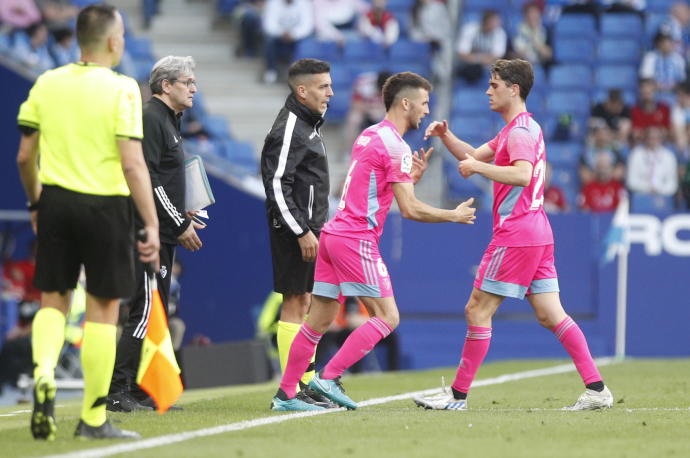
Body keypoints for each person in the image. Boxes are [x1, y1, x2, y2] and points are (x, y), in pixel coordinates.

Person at [413, 59, 613, 412]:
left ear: (514, 89)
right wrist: (447, 136)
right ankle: (597, 388)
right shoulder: (518, 128)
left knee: (477, 309)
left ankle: (457, 396)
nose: (488, 91)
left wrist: (477, 168)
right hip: (537, 230)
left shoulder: (519, 133)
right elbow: (474, 155)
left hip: (517, 232)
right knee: (552, 315)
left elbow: (521, 175)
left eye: (494, 85)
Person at [270, 71, 477, 412]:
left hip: (333, 235)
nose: (427, 110)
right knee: (388, 317)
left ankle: (286, 394)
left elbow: (373, 184)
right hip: (356, 238)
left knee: (317, 321)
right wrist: (452, 215)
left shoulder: (370, 135)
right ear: (406, 102)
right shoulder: (397, 146)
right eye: (424, 103)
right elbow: (409, 209)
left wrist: (408, 178)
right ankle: (330, 377)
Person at [15, 4, 160, 440]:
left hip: (56, 204)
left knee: (53, 300)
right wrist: (150, 222)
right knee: (103, 311)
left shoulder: (46, 82)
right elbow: (133, 163)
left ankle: (43, 373)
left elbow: (25, 156)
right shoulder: (123, 90)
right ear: (114, 41)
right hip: (106, 208)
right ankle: (94, 418)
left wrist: (37, 205)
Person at [107, 55, 203, 413]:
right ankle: (117, 391)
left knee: (155, 309)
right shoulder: (151, 118)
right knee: (144, 309)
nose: (194, 87)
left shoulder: (170, 121)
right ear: (166, 85)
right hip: (148, 232)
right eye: (186, 81)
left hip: (162, 231)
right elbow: (148, 177)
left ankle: (142, 389)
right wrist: (179, 222)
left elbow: (163, 180)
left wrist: (182, 211)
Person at [260, 58, 335, 408]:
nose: (330, 93)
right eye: (323, 87)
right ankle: (291, 390)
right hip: (295, 230)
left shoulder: (308, 124)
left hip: (308, 229)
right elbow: (276, 184)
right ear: (301, 91)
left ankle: (305, 383)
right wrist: (302, 231)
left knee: (305, 302)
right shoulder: (290, 126)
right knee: (294, 302)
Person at [261, 0, 314, 84]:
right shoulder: (272, 3)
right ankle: (271, 71)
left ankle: (298, 74)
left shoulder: (304, 3)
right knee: (269, 41)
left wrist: (294, 34)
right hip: (278, 36)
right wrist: (281, 33)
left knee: (306, 43)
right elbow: (268, 24)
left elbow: (307, 26)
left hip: (297, 37)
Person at [455, 9, 507, 84]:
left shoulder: (500, 33)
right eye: (493, 22)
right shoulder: (469, 29)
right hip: (467, 66)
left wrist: (475, 57)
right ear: (485, 21)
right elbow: (462, 54)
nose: (497, 25)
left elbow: (497, 57)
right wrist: (482, 58)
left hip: (488, 67)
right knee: (471, 70)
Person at [626, 126, 678, 198]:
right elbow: (631, 181)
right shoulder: (636, 154)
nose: (653, 140)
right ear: (645, 139)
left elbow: (672, 184)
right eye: (650, 138)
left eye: (656, 138)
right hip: (641, 195)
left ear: (661, 139)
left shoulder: (669, 156)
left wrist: (659, 190)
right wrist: (648, 189)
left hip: (663, 196)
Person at [511, 1, 552, 71]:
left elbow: (548, 54)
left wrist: (534, 37)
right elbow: (513, 55)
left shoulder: (545, 30)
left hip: (541, 66)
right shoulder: (517, 31)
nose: (533, 16)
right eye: (530, 13)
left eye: (535, 13)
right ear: (525, 16)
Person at [631, 78, 671, 143]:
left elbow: (666, 132)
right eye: (644, 92)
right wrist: (651, 134)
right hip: (642, 146)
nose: (646, 95)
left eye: (649, 92)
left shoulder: (664, 108)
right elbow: (636, 134)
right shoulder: (635, 110)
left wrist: (650, 133)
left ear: (654, 91)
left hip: (661, 145)